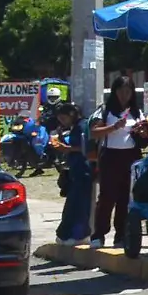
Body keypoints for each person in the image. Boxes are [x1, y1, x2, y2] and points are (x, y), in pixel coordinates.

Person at [88, 76, 144, 249]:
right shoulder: (105, 110)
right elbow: (94, 132)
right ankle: (98, 234)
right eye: (121, 91)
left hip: (132, 156)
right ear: (114, 91)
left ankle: (121, 235)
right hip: (110, 157)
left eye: (128, 91)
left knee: (125, 198)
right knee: (107, 197)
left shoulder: (136, 112)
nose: (124, 95)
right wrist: (114, 127)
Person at [49, 102, 94, 245]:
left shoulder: (82, 126)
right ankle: (68, 234)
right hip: (76, 170)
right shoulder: (74, 127)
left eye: (63, 118)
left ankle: (78, 235)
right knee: (73, 204)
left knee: (78, 206)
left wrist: (67, 148)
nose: (62, 122)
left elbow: (84, 147)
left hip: (83, 170)